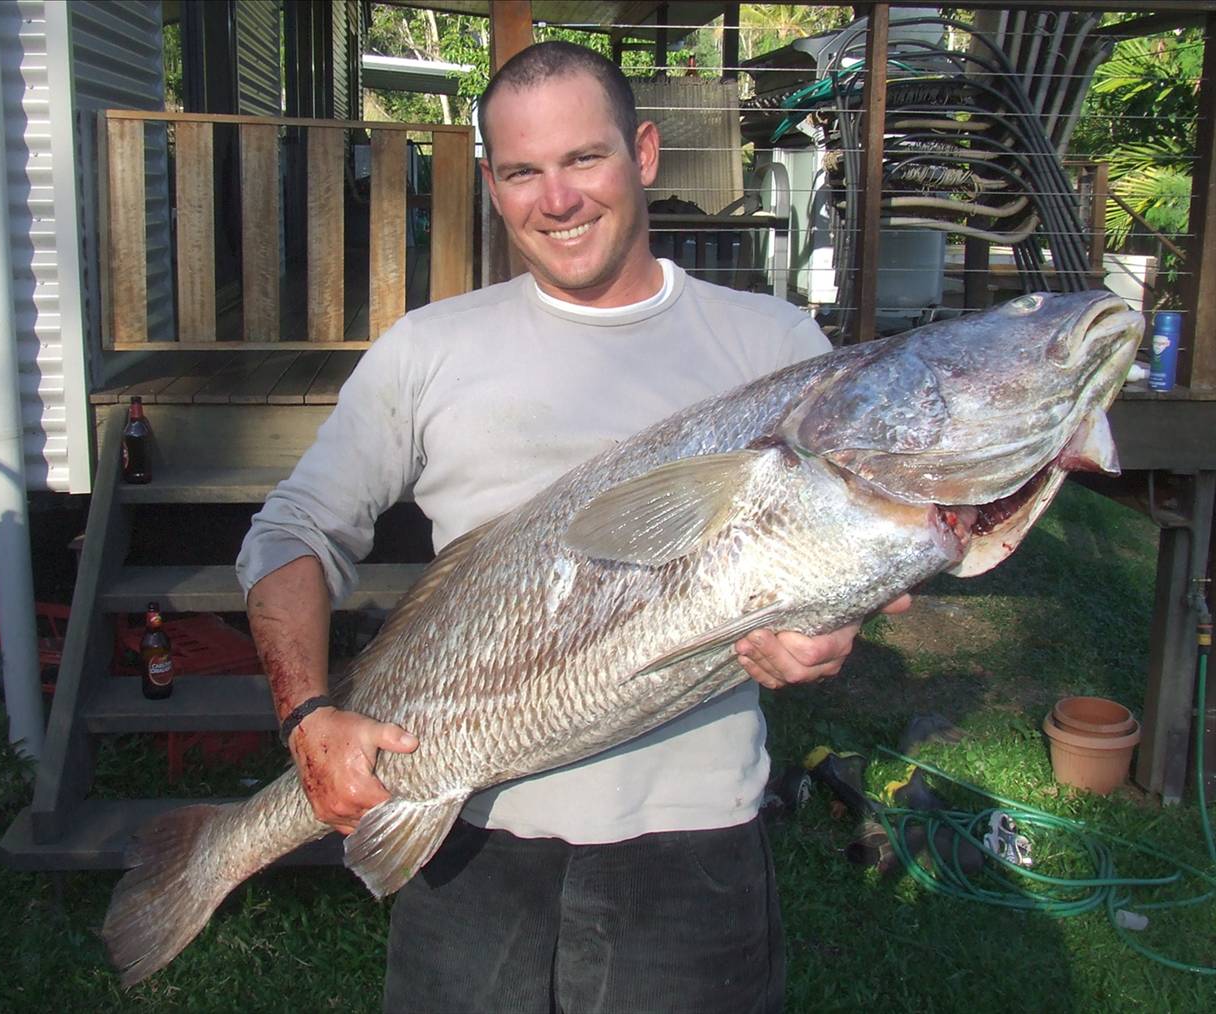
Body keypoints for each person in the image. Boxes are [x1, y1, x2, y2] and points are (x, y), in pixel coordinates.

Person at [238, 40, 909, 1014]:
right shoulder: (427, 350)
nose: (556, 200)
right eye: (522, 172)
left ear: (644, 153)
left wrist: (831, 631)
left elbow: (851, 544)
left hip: (690, 846)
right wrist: (305, 714)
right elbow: (291, 532)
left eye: (583, 158)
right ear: (493, 186)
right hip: (465, 836)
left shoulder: (774, 349)